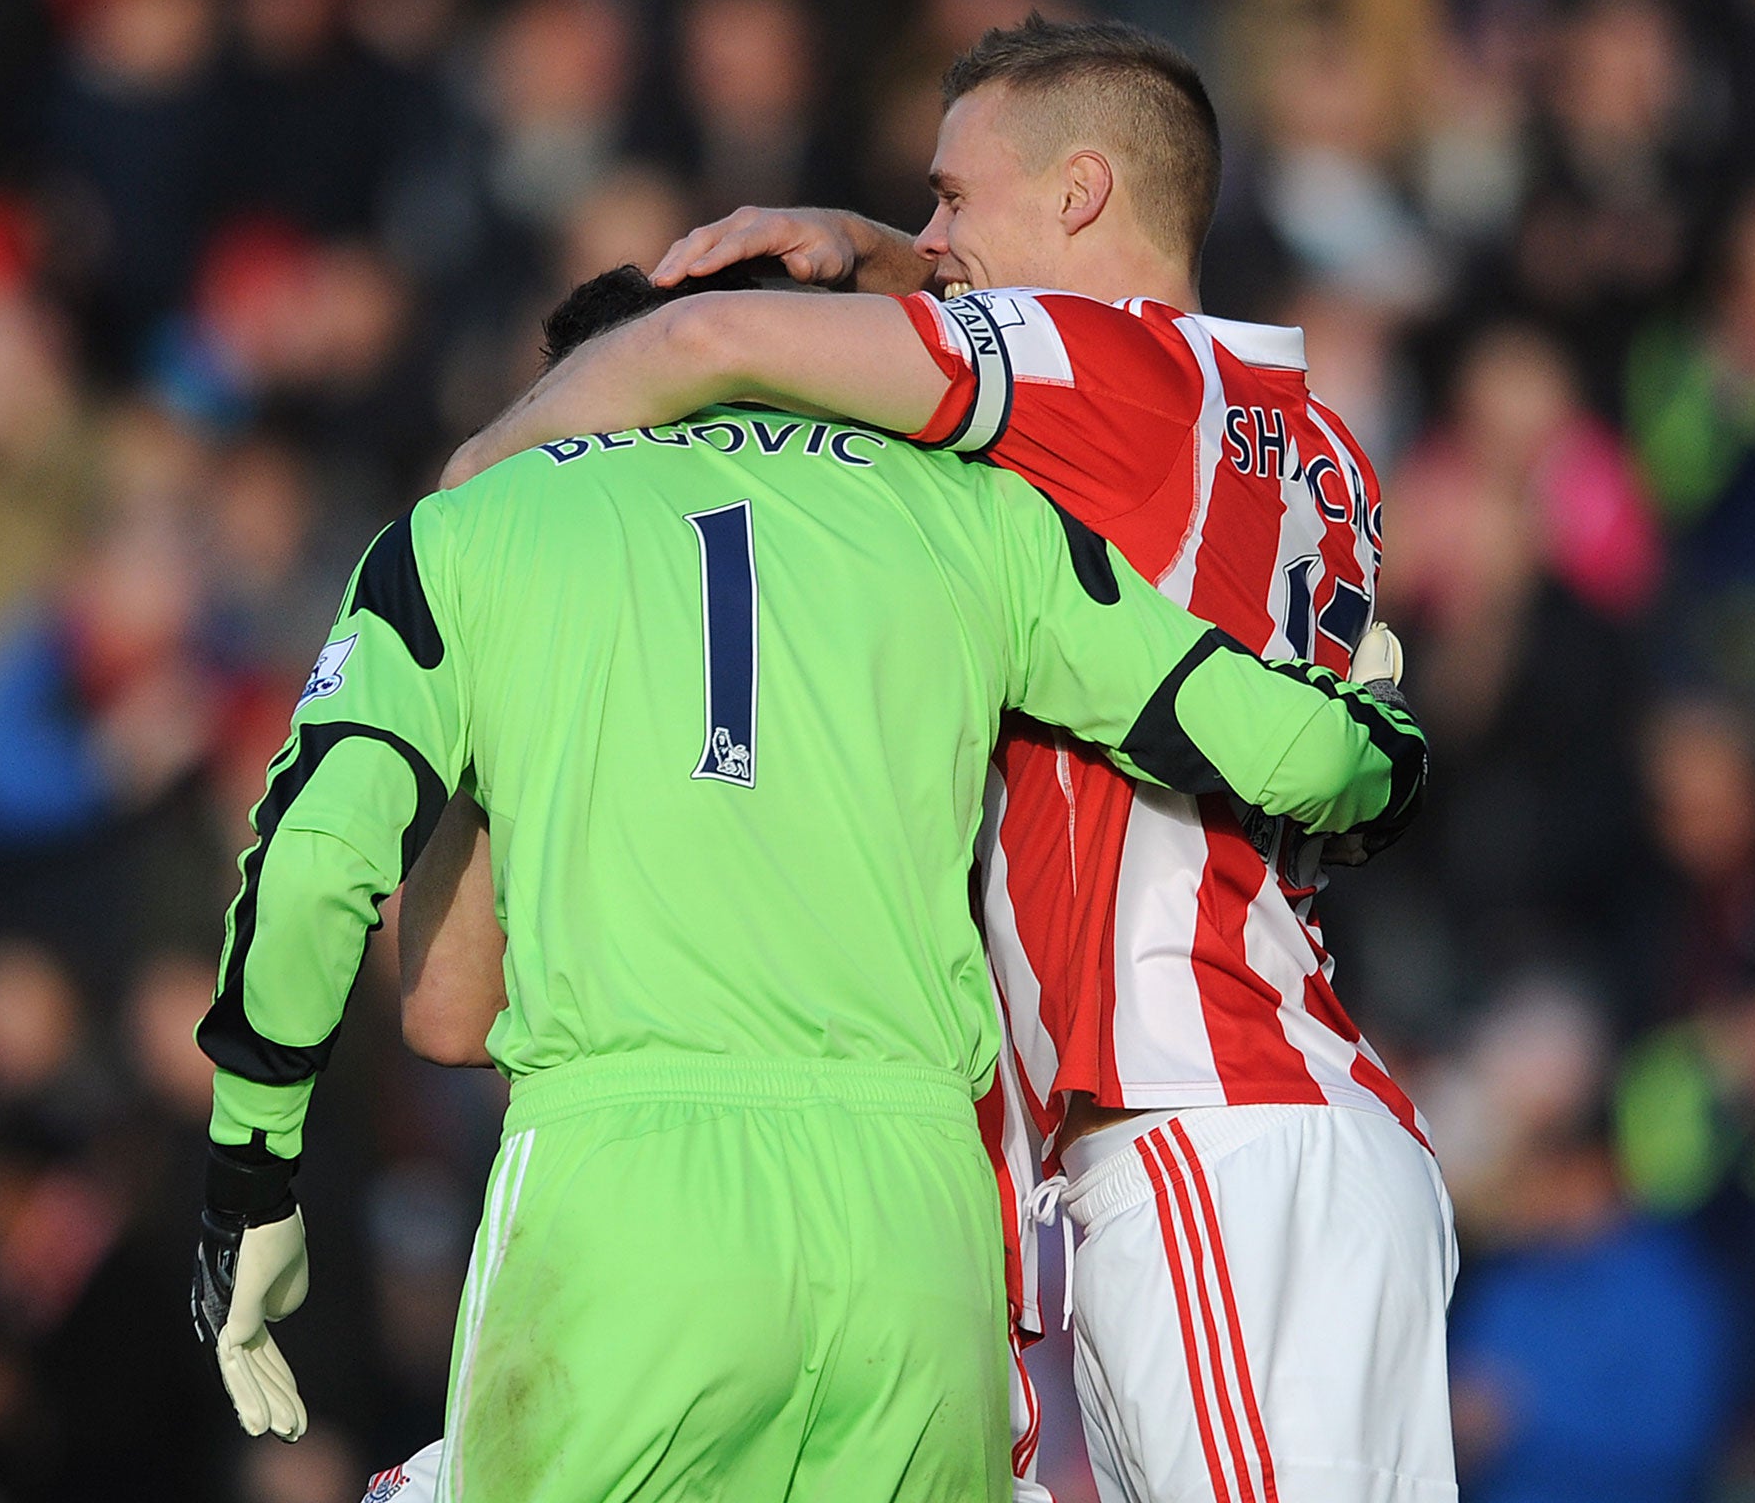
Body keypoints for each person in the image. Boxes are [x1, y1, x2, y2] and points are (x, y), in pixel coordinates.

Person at [188, 260, 1427, 1503]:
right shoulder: (967, 515)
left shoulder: (471, 533)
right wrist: (1384, 759)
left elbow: (316, 868)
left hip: (629, 1188)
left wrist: (253, 1164)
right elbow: (1287, 744)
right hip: (915, 1229)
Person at [438, 16, 1457, 1503]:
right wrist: (889, 253)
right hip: (1273, 1123)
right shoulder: (1304, 438)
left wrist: (472, 506)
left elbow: (706, 339)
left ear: (1084, 193)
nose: (928, 236)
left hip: (1200, 1122)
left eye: (950, 199)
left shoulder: (1104, 379)